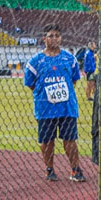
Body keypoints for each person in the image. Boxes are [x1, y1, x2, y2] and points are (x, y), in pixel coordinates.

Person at [24, 24, 86, 183]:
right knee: (47, 141)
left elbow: (73, 80)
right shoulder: (35, 61)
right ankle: (50, 169)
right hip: (45, 109)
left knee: (70, 140)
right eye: (50, 35)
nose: (54, 38)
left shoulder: (69, 58)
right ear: (44, 38)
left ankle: (75, 169)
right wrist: (44, 95)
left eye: (57, 35)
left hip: (66, 108)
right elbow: (30, 83)